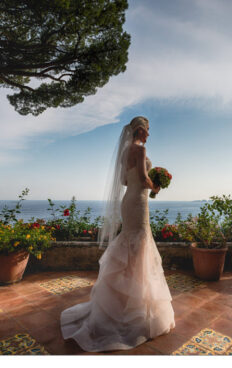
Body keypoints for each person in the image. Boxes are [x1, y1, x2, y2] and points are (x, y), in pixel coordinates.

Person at [60, 116, 175, 352]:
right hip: (139, 203)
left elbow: (124, 180)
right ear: (140, 130)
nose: (149, 135)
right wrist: (156, 186)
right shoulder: (140, 151)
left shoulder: (125, 152)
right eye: (148, 130)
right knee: (140, 243)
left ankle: (124, 301)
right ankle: (135, 307)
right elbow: (143, 179)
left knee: (130, 243)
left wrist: (143, 182)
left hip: (128, 201)